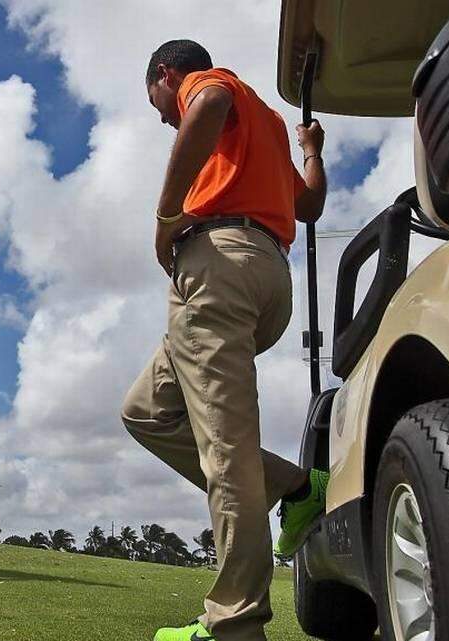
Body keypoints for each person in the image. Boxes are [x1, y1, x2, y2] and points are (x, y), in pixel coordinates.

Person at [122, 40, 328, 641]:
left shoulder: (211, 85)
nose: (164, 116)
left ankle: (234, 626)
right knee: (146, 412)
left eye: (158, 102)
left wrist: (164, 218)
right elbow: (309, 203)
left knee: (226, 450)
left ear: (165, 74)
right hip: (266, 277)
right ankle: (294, 486)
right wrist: (311, 152)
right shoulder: (263, 125)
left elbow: (204, 101)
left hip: (218, 269)